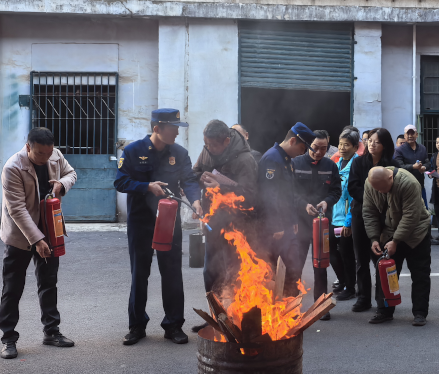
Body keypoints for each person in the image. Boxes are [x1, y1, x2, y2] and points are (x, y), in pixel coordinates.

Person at [114, 109, 202, 346]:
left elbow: (190, 180)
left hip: (169, 220)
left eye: (178, 128)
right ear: (157, 129)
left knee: (172, 273)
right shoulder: (133, 151)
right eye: (172, 128)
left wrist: (195, 200)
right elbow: (120, 181)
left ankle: (173, 325)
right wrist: (146, 186)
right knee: (139, 274)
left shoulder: (179, 153)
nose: (176, 132)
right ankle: (136, 326)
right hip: (141, 221)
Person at [0, 127, 78, 360]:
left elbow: (71, 173)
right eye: (40, 154)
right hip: (20, 236)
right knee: (12, 288)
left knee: (49, 283)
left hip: (50, 229)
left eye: (49, 153)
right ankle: (8, 338)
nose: (46, 158)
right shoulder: (13, 167)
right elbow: (17, 209)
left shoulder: (55, 155)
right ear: (28, 147)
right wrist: (37, 240)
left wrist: (62, 184)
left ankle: (51, 332)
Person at [191, 119, 258, 332]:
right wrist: (201, 181)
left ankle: (235, 318)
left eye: (213, 145)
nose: (208, 149)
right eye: (206, 144)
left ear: (226, 141)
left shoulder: (246, 159)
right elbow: (194, 174)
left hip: (237, 225)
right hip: (213, 221)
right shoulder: (207, 151)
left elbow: (251, 196)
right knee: (210, 270)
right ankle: (216, 317)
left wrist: (222, 185)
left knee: (234, 272)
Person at [363, 166, 432, 326]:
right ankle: (384, 311)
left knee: (420, 273)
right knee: (385, 272)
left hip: (416, 232)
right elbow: (369, 211)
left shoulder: (409, 183)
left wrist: (396, 240)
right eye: (376, 188)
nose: (379, 192)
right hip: (389, 231)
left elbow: (411, 216)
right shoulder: (370, 184)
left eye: (382, 188)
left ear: (390, 178)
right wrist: (374, 238)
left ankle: (420, 313)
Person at [257, 122, 317, 297]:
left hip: (287, 225)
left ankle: (289, 307)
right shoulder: (272, 158)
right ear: (292, 141)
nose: (304, 152)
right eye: (302, 148)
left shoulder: (286, 160)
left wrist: (293, 221)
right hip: (275, 227)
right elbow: (269, 196)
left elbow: (289, 194)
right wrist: (276, 225)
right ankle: (278, 309)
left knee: (292, 266)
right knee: (274, 269)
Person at [347, 128, 398, 312]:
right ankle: (363, 298)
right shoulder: (358, 163)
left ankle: (382, 298)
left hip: (384, 217)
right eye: (369, 141)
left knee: (380, 257)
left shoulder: (392, 164)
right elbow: (353, 187)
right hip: (360, 215)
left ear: (385, 145)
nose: (372, 144)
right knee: (361, 258)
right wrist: (372, 199)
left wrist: (379, 203)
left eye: (376, 141)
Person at [294, 130, 342, 316]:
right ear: (307, 145)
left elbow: (336, 191)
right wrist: (303, 205)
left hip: (322, 224)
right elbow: (290, 192)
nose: (319, 152)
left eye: (324, 148)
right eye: (315, 147)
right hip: (300, 222)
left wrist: (327, 202)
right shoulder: (296, 163)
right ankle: (292, 306)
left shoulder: (330, 165)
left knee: (320, 265)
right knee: (295, 265)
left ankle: (321, 305)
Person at [331, 128, 360, 300]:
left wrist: (348, 223)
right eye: (340, 144)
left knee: (347, 254)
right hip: (334, 216)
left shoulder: (357, 166)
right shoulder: (336, 164)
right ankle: (342, 281)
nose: (342, 148)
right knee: (332, 252)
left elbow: (355, 197)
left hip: (347, 219)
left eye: (346, 145)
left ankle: (350, 287)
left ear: (355, 147)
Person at [394, 123, 428, 194]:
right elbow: (399, 167)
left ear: (417, 134)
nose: (410, 136)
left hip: (420, 185)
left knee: (422, 205)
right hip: (405, 185)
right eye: (408, 134)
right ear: (405, 135)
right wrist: (413, 166)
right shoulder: (399, 150)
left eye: (412, 133)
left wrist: (424, 167)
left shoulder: (422, 148)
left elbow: (428, 162)